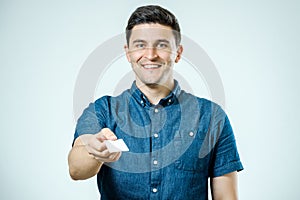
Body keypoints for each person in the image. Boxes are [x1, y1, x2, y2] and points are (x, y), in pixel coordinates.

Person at [68, 5, 243, 200]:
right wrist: (94, 150)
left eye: (162, 45)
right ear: (128, 53)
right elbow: (76, 170)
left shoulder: (212, 117)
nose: (150, 54)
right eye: (140, 45)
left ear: (178, 52)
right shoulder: (103, 110)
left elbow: (226, 197)